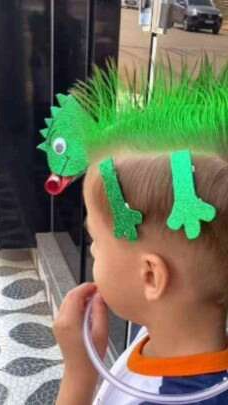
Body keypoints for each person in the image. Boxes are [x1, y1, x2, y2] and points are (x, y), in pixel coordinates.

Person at [38, 60, 228, 404]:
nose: (92, 252)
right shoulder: (161, 339)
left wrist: (79, 374)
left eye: (96, 241)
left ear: (151, 276)